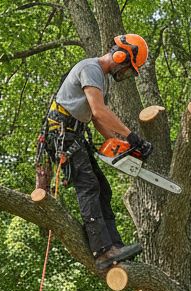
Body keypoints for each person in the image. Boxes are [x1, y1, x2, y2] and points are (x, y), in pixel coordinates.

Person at [38, 34, 154, 270]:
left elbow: (97, 119)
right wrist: (132, 137)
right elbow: (99, 112)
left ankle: (115, 247)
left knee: (102, 188)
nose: (127, 74)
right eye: (128, 69)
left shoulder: (101, 79)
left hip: (75, 134)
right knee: (89, 186)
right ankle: (102, 252)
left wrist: (120, 143)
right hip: (62, 133)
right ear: (120, 56)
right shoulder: (91, 69)